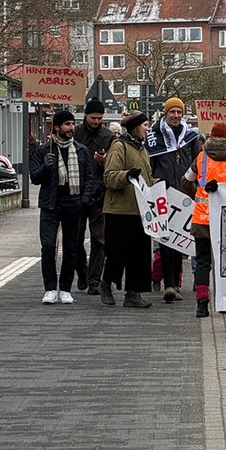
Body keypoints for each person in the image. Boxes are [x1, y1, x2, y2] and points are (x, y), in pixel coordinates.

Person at [30, 109, 95, 305]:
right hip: (50, 205)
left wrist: (84, 198)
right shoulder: (44, 150)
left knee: (71, 248)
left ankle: (65, 288)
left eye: (72, 124)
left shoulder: (81, 150)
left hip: (74, 204)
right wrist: (45, 167)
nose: (71, 128)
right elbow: (34, 177)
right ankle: (50, 288)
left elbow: (89, 178)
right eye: (67, 124)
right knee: (48, 246)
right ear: (57, 127)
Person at [182, 122, 226, 318]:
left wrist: (196, 196)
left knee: (202, 262)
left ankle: (202, 303)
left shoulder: (201, 157)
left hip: (203, 217)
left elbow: (186, 180)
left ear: (211, 137)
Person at [146, 97, 201, 303]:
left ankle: (176, 283)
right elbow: (149, 165)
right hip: (163, 193)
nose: (176, 116)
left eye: (179, 112)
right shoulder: (154, 137)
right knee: (165, 241)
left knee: (180, 242)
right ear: (165, 113)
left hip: (185, 196)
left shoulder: (190, 136)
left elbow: (198, 164)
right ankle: (169, 283)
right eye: (172, 112)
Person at [100, 110, 156, 309]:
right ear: (135, 127)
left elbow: (146, 178)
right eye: (145, 125)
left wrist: (158, 185)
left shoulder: (142, 149)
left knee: (140, 254)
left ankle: (133, 293)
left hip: (140, 210)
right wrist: (126, 175)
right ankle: (106, 284)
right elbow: (109, 177)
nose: (148, 129)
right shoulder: (119, 146)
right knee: (117, 252)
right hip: (120, 209)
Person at [73, 98, 114, 294]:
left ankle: (94, 280)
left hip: (99, 193)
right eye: (93, 118)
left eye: (99, 118)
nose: (96, 121)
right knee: (76, 238)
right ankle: (81, 271)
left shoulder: (108, 137)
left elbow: (115, 166)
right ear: (85, 116)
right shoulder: (75, 134)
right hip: (77, 193)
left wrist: (105, 161)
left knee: (100, 239)